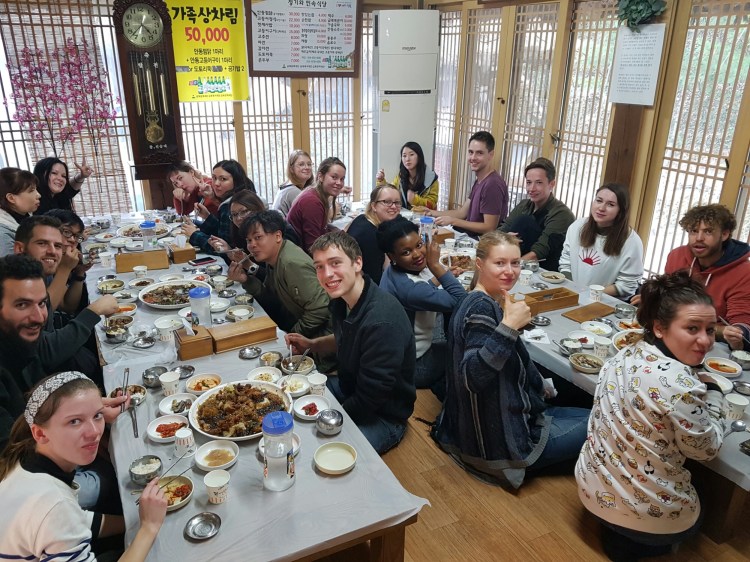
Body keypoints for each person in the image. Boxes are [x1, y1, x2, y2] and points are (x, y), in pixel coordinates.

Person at [575, 272, 724, 560]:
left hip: (590, 488)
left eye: (710, 330)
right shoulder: (682, 387)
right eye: (692, 328)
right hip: (646, 516)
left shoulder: (624, 352)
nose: (705, 340)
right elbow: (706, 450)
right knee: (706, 492)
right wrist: (715, 394)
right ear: (659, 327)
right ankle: (648, 538)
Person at [432, 231, 589, 488]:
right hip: (497, 448)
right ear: (479, 264)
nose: (510, 271)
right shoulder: (481, 307)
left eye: (515, 263)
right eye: (500, 263)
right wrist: (509, 327)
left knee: (582, 411)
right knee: (600, 421)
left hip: (465, 432)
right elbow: (472, 377)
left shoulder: (476, 298)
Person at [0, 372, 167, 561]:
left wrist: (132, 522)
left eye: (97, 415)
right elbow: (63, 517)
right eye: (74, 421)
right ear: (40, 433)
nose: (94, 432)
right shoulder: (54, 506)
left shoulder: (24, 458)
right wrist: (148, 528)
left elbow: (79, 518)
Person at [0, 255, 122, 511]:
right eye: (22, 305)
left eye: (42, 304)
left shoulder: (21, 339)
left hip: (40, 454)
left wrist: (85, 413)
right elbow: (13, 463)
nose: (38, 317)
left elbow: (34, 409)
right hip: (22, 488)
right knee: (114, 474)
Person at [286, 231, 416, 454]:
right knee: (294, 396)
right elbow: (348, 337)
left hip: (382, 414)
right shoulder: (342, 300)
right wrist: (313, 344)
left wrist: (329, 419)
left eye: (335, 263)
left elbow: (372, 395)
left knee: (320, 449)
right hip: (351, 388)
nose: (327, 274)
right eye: (319, 266)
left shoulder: (382, 321)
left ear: (357, 263)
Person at [227, 212, 333, 370]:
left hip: (323, 345)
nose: (252, 245)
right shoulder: (274, 258)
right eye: (249, 240)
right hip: (304, 331)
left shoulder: (291, 263)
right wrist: (245, 280)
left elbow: (321, 308)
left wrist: (293, 335)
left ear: (277, 236)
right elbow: (272, 299)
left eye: (258, 237)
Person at [377, 216, 466, 400]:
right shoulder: (411, 289)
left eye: (419, 245)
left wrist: (442, 275)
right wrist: (436, 266)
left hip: (394, 360)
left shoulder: (392, 272)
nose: (417, 254)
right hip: (415, 367)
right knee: (467, 352)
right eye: (406, 252)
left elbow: (421, 291)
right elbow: (462, 301)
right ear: (392, 256)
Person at [663, 204, 750, 351]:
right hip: (672, 331)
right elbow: (667, 295)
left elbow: (741, 321)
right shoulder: (677, 255)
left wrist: (734, 333)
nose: (699, 238)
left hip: (713, 343)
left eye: (708, 232)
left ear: (724, 234)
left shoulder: (744, 272)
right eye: (694, 231)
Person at [558, 183, 643, 300]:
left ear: (621, 210)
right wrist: (572, 288)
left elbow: (627, 285)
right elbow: (566, 260)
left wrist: (590, 293)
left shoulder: (632, 241)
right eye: (599, 201)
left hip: (606, 301)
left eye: (610, 204)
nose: (601, 208)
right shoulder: (577, 226)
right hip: (573, 293)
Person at [499, 157, 575, 272]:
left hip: (545, 268)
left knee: (524, 221)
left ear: (551, 184)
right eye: (529, 183)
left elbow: (539, 252)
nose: (532, 189)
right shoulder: (524, 205)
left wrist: (509, 267)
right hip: (518, 261)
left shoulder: (562, 213)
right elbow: (501, 230)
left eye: (539, 183)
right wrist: (504, 238)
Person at [427, 131, 508, 238]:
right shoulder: (480, 180)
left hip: (481, 242)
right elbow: (462, 213)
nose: (473, 158)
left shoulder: (492, 184)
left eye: (479, 153)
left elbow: (489, 228)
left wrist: (453, 221)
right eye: (470, 152)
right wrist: (431, 212)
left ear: (491, 155)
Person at [181, 159, 256, 255]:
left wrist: (194, 234)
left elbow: (223, 249)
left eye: (223, 179)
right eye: (214, 178)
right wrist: (207, 216)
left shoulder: (233, 205)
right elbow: (223, 232)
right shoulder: (244, 195)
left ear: (236, 181)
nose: (216, 183)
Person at [287, 157, 346, 253]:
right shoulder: (312, 202)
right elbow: (312, 246)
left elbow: (323, 228)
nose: (339, 183)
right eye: (334, 177)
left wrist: (342, 234)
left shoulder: (316, 193)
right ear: (320, 176)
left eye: (342, 179)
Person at [346, 184, 402, 284]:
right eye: (387, 202)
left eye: (397, 202)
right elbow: (375, 280)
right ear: (374, 206)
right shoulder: (370, 236)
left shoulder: (363, 218)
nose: (394, 206)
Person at [376, 141, 439, 210]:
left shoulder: (431, 178)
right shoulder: (401, 176)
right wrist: (381, 180)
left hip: (424, 216)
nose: (407, 159)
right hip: (404, 215)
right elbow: (390, 192)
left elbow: (432, 204)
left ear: (419, 156)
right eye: (404, 156)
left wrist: (415, 200)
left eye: (411, 155)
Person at [0, 167, 40, 257]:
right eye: (31, 190)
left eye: (36, 189)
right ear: (11, 198)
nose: (38, 195)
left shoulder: (26, 218)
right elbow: (12, 265)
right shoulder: (3, 234)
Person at [271, 149, 314, 217]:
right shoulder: (293, 191)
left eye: (309, 164)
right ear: (291, 169)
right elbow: (312, 217)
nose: (307, 167)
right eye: (301, 164)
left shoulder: (289, 187)